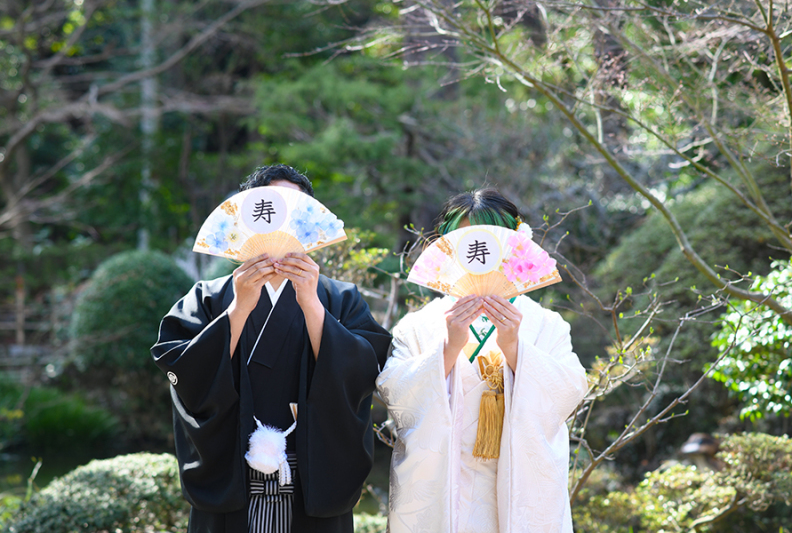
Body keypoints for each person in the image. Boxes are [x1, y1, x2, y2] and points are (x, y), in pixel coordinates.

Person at [151, 164, 391, 533]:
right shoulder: (208, 298)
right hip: (231, 482)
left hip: (313, 484)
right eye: (272, 209)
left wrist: (311, 304)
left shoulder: (339, 298)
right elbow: (185, 371)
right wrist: (239, 309)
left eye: (297, 213)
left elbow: (363, 373)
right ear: (249, 218)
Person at [376, 188, 588, 533]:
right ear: (446, 249)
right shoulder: (419, 326)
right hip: (444, 482)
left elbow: (569, 391)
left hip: (515, 483)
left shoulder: (545, 324)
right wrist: (448, 346)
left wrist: (515, 347)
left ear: (514, 247)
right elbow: (396, 395)